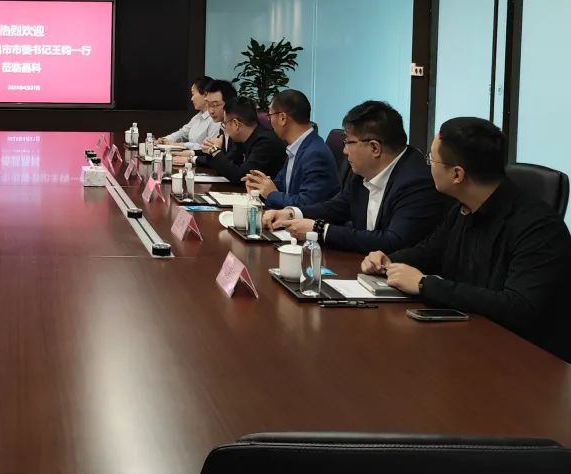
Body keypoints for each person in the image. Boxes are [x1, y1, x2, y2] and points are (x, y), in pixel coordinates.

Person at [361, 117, 571, 362]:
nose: (428, 166)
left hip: (525, 359)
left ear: (457, 174)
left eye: (431, 159)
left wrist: (425, 284)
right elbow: (429, 251)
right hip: (469, 339)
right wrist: (387, 261)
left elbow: (518, 306)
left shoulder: (539, 228)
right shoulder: (462, 209)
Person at [264, 100, 451, 252]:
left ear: (374, 148)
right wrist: (291, 213)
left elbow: (393, 241)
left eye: (349, 143)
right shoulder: (362, 173)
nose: (344, 151)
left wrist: (321, 230)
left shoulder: (416, 182)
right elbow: (337, 207)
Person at [244, 89, 339, 209]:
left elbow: (307, 205)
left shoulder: (315, 153)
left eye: (270, 116)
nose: (269, 121)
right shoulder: (296, 147)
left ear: (283, 118)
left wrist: (271, 194)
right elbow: (281, 187)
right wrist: (260, 187)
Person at [197, 96, 286, 183]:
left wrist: (215, 151)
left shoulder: (265, 142)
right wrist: (214, 151)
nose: (225, 128)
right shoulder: (241, 139)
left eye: (225, 123)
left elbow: (241, 177)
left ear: (236, 124)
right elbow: (228, 167)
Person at [170, 79, 239, 167]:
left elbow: (229, 163)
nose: (211, 111)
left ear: (230, 104)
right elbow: (214, 155)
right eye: (209, 105)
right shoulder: (223, 126)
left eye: (215, 105)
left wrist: (191, 158)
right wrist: (191, 153)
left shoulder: (236, 129)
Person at [158, 76, 222, 150]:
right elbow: (182, 133)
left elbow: (210, 147)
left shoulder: (216, 119)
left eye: (193, 94)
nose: (191, 99)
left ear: (205, 94)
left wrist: (183, 145)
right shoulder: (198, 116)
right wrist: (165, 140)